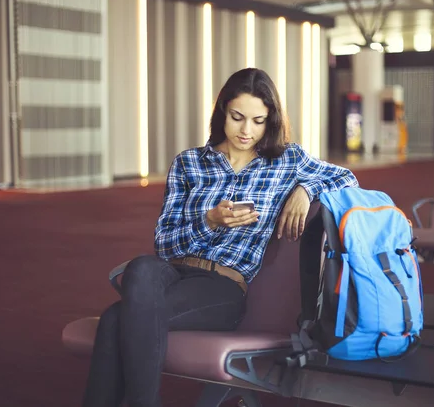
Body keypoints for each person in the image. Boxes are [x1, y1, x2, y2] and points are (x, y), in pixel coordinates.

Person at [82, 68, 358, 407]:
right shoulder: (189, 163)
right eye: (237, 117)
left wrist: (305, 187)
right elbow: (165, 244)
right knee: (141, 266)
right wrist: (209, 221)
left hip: (223, 287)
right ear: (222, 111)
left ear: (269, 121)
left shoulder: (287, 160)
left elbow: (346, 178)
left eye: (258, 121)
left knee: (113, 320)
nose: (246, 130)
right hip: (174, 273)